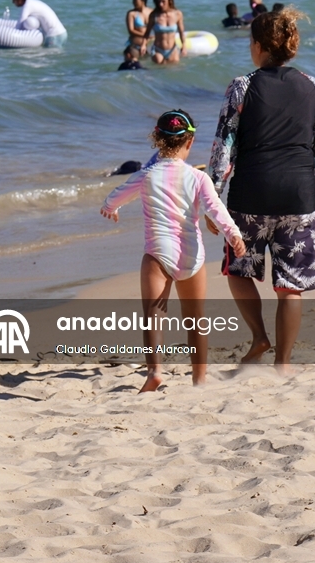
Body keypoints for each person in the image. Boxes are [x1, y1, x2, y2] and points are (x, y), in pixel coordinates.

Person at [206, 9, 315, 376]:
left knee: (239, 271)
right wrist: (307, 189)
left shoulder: (242, 86)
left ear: (258, 46)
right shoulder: (311, 84)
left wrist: (213, 198)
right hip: (299, 195)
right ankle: (283, 365)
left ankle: (259, 336)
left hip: (251, 196)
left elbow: (224, 146)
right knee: (291, 286)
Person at [102, 110, 246, 392]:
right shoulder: (198, 178)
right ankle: (199, 378)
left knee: (154, 315)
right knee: (196, 319)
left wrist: (111, 208)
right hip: (192, 255)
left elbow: (115, 196)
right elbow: (215, 209)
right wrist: (233, 234)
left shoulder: (146, 175)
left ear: (157, 140)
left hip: (158, 254)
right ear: (189, 142)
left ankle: (155, 372)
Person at [141, 0, 185, 64]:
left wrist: (184, 46)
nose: (161, 4)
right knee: (159, 68)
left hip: (172, 49)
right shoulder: (154, 15)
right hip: (158, 49)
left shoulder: (177, 14)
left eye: (163, 1)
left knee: (174, 70)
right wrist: (143, 45)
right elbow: (147, 32)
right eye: (159, 2)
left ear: (169, 1)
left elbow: (181, 32)